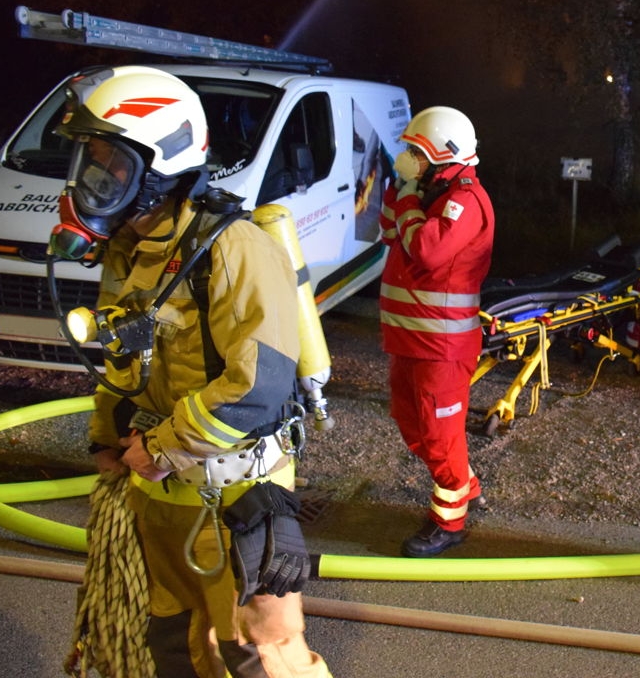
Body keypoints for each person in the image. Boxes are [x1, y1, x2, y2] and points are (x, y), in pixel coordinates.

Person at [54, 65, 331, 677]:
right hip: (160, 494)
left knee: (261, 654)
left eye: (111, 163)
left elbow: (256, 389)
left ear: (161, 165)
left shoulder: (234, 249)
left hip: (237, 498)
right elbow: (126, 360)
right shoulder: (130, 249)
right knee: (175, 643)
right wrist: (107, 437)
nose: (92, 178)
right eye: (90, 160)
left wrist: (160, 447)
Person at [379, 106, 495, 557]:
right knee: (412, 424)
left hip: (441, 347)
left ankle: (449, 522)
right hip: (410, 340)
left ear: (442, 156)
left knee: (440, 436)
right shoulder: (428, 193)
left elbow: (426, 250)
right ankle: (465, 485)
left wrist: (409, 201)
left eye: (416, 153)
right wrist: (400, 188)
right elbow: (388, 231)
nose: (409, 158)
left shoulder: (464, 201)